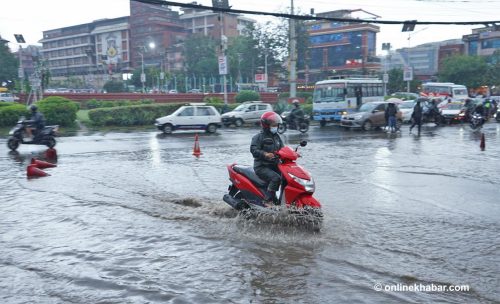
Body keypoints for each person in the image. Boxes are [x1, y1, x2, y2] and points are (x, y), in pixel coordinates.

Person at [250, 112, 284, 207]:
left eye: (277, 124)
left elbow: (283, 149)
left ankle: (280, 199)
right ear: (266, 125)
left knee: (287, 177)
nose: (276, 126)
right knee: (276, 178)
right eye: (274, 125)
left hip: (274, 165)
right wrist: (265, 154)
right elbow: (253, 149)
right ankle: (268, 200)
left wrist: (293, 153)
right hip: (262, 166)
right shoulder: (258, 137)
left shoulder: (277, 137)